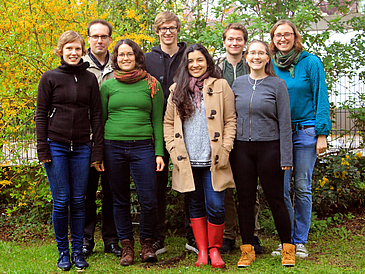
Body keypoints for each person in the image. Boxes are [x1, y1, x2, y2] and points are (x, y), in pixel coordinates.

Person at [164, 43, 236, 269]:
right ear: (186, 64)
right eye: (191, 61)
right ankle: (202, 250)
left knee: (216, 205)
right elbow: (168, 123)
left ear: (207, 62)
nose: (195, 65)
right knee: (194, 206)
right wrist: (173, 151)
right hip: (187, 159)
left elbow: (230, 120)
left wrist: (225, 149)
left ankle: (215, 250)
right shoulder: (177, 89)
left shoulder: (221, 86)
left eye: (200, 60)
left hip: (213, 158)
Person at [36, 31, 103, 271]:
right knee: (61, 200)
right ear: (61, 51)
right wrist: (42, 147)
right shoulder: (50, 78)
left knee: (79, 200)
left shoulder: (89, 79)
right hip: (56, 146)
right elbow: (40, 115)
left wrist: (97, 152)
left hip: (83, 147)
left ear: (83, 50)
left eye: (77, 49)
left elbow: (96, 116)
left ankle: (78, 252)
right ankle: (63, 252)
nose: (73, 53)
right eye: (69, 49)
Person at [269, 19, 331, 258]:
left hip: (306, 132)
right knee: (281, 188)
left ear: (295, 37)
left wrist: (322, 133)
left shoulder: (311, 62)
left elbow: (321, 97)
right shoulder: (270, 64)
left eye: (287, 34)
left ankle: (300, 240)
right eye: (278, 35)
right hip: (278, 135)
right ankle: (287, 239)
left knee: (302, 187)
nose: (282, 39)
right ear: (272, 40)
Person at [231, 39, 295, 268]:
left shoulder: (277, 85)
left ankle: (288, 248)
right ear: (246, 57)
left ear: (268, 58)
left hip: (270, 147)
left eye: (261, 53)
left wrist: (286, 157)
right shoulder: (237, 84)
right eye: (252, 53)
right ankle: (247, 250)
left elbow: (285, 124)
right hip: (242, 150)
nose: (256, 57)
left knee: (276, 199)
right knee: (245, 201)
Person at [101, 39, 164, 266]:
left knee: (148, 199)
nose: (125, 58)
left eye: (129, 54)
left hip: (143, 147)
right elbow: (100, 120)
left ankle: (147, 244)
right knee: (119, 199)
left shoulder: (152, 85)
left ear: (137, 57)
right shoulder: (108, 86)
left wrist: (159, 153)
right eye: (120, 55)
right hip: (112, 146)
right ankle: (126, 246)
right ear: (115, 58)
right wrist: (98, 154)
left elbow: (158, 121)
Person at [145, 11, 197, 255]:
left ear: (178, 29)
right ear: (157, 31)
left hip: (186, 128)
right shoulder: (147, 59)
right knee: (156, 185)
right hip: (155, 129)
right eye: (163, 28)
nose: (168, 32)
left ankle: (193, 235)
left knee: (190, 180)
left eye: (172, 27)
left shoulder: (190, 56)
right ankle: (157, 237)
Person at [216, 22, 263, 254]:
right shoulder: (215, 68)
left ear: (244, 43)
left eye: (239, 39)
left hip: (249, 135)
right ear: (224, 42)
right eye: (230, 39)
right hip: (222, 135)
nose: (234, 43)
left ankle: (251, 233)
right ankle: (228, 235)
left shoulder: (254, 65)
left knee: (249, 188)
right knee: (225, 187)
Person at [82, 19, 122, 258]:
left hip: (113, 139)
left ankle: (111, 239)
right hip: (85, 139)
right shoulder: (79, 64)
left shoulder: (120, 64)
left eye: (103, 36)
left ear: (110, 39)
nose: (99, 40)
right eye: (95, 36)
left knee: (112, 192)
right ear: (88, 38)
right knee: (86, 192)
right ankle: (86, 239)